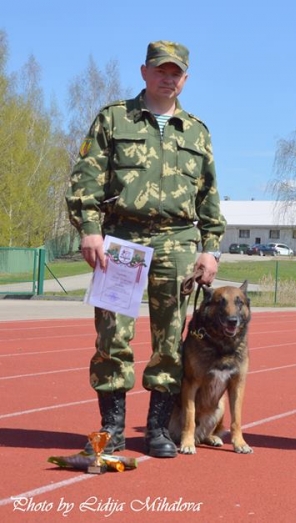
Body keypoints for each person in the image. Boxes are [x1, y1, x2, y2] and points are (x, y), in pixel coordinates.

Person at [65, 40, 226, 458]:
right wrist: (89, 229)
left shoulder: (196, 131)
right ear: (144, 72)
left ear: (185, 79)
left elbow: (209, 196)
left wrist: (211, 250)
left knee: (171, 342)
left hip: (177, 244)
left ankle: (157, 429)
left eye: (176, 73)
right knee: (112, 338)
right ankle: (112, 428)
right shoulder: (113, 119)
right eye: (160, 70)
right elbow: (85, 182)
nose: (167, 78)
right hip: (121, 241)